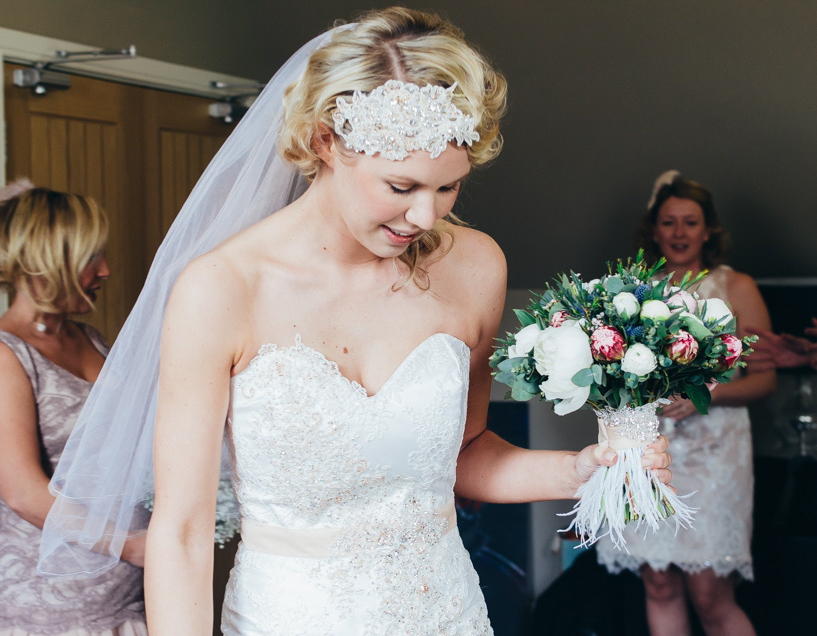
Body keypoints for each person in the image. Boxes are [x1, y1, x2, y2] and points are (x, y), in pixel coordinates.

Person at [39, 8, 672, 635]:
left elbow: (464, 454)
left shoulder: (475, 266)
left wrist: (581, 470)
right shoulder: (222, 289)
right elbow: (180, 532)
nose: (425, 217)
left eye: (448, 188)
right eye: (401, 186)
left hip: (444, 614)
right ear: (324, 141)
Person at [0, 183, 146, 636]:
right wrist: (134, 547)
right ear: (44, 262)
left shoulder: (90, 339)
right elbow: (24, 493)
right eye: (88, 258)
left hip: (121, 598)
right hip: (46, 610)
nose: (105, 270)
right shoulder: (0, 358)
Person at [597, 170, 776, 636]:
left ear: (709, 229)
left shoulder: (737, 287)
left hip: (715, 453)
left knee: (709, 593)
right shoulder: (631, 290)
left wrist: (706, 399)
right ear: (653, 230)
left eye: (690, 222)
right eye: (670, 222)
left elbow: (765, 380)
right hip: (650, 448)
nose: (679, 233)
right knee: (657, 583)